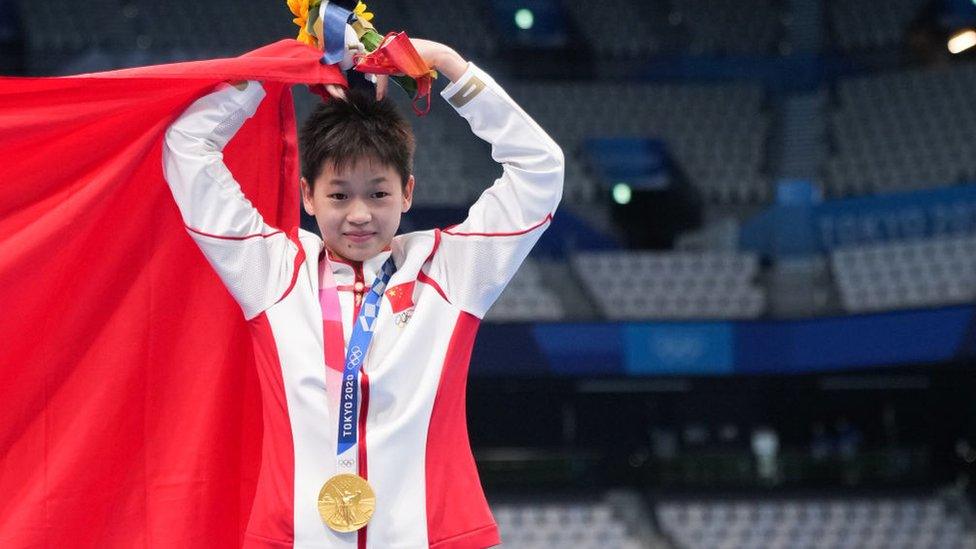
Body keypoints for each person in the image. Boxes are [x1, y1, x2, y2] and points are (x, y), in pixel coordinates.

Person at [162, 37, 563, 549]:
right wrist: (272, 69)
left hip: (434, 535)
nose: (359, 214)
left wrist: (446, 65)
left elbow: (541, 170)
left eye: (378, 193)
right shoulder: (275, 272)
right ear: (307, 195)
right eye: (338, 194)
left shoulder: (450, 270)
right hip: (292, 537)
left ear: (408, 192)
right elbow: (187, 149)